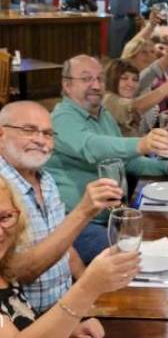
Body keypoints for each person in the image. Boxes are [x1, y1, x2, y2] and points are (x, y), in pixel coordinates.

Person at [44, 55, 168, 264]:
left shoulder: (103, 114)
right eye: (86, 79)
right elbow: (90, 146)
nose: (96, 85)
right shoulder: (62, 118)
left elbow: (127, 162)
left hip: (113, 216)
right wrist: (141, 144)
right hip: (79, 224)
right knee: (134, 259)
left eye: (99, 79)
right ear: (67, 84)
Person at [0, 101, 123, 314]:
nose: (40, 140)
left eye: (48, 134)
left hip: (67, 305)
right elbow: (18, 272)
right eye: (28, 130)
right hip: (31, 322)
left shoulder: (45, 179)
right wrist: (83, 212)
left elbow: (64, 244)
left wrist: (92, 296)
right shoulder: (3, 188)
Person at [0, 174, 140, 337]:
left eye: (4, 217)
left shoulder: (4, 266)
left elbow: (22, 326)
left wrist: (69, 330)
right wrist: (87, 288)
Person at [103, 59, 168, 136]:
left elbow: (136, 135)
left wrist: (166, 116)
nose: (130, 84)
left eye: (135, 80)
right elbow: (136, 107)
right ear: (112, 79)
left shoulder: (126, 98)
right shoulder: (108, 99)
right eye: (124, 78)